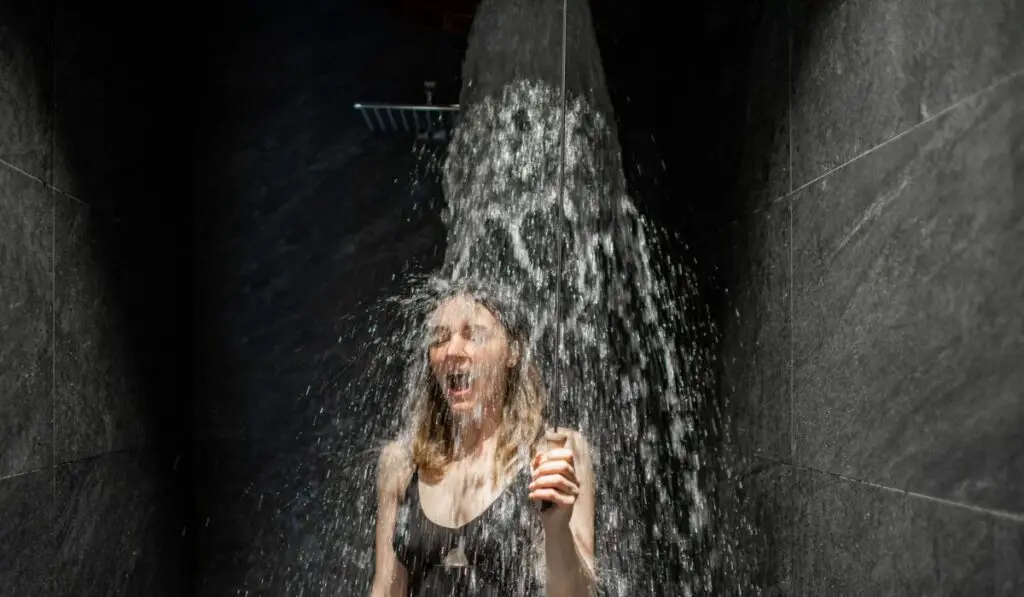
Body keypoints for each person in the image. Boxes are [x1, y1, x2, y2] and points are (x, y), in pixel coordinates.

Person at [370, 283, 596, 596]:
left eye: (473, 335)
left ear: (513, 352)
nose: (452, 351)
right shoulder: (401, 464)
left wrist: (557, 528)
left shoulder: (554, 453)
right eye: (439, 338)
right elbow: (385, 588)